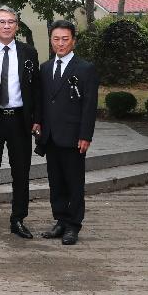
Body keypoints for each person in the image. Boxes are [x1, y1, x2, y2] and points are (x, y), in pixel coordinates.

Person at [0, 5, 41, 239]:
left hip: (19, 120)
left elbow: (36, 88)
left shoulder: (29, 52)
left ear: (17, 25)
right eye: (2, 22)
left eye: (11, 22)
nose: (6, 26)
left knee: (21, 172)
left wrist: (37, 119)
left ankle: (18, 219)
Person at [36, 20, 98, 246]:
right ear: (51, 40)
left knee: (74, 183)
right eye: (56, 39)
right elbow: (43, 101)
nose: (60, 44)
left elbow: (89, 106)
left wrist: (85, 135)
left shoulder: (85, 69)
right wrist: (38, 123)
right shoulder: (45, 67)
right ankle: (60, 220)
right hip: (51, 136)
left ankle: (73, 225)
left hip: (74, 137)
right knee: (56, 182)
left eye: (65, 39)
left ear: (73, 41)